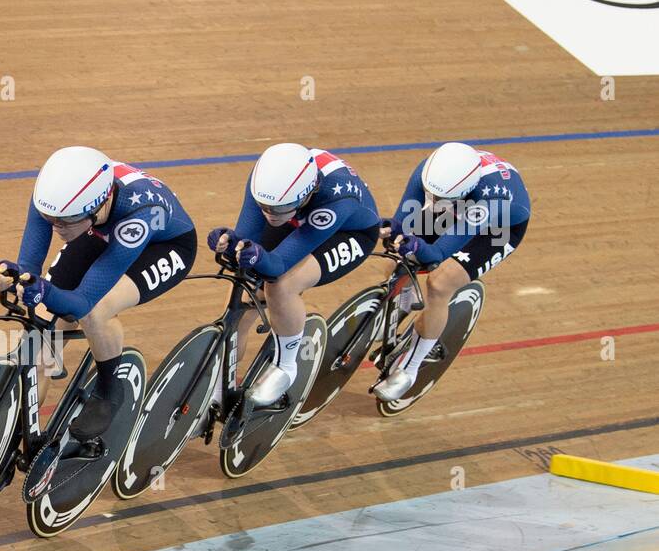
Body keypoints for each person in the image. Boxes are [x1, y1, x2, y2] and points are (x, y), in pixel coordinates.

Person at [0, 146, 197, 438]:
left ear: (100, 205)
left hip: (163, 245)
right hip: (99, 230)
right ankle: (16, 434)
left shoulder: (140, 214)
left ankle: (110, 392)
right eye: (51, 220)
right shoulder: (59, 198)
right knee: (43, 326)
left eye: (65, 221)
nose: (57, 228)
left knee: (96, 312)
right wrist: (16, 276)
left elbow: (83, 301)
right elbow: (29, 268)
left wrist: (45, 290)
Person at [211, 143, 380, 404]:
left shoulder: (336, 199)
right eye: (263, 206)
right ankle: (219, 386)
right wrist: (229, 242)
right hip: (297, 217)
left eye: (276, 208)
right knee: (243, 290)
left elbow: (277, 265)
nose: (268, 214)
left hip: (346, 232)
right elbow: (247, 238)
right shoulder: (266, 182)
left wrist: (259, 256)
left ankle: (286, 368)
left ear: (306, 194)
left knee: (281, 285)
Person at [374, 142, 531, 400]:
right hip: (457, 206)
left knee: (440, 283)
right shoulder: (430, 171)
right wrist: (395, 229)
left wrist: (418, 245)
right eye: (430, 194)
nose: (431, 200)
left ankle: (410, 369)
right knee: (395, 261)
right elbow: (404, 223)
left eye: (439, 198)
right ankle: (406, 302)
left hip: (498, 227)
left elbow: (437, 254)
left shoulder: (490, 198)